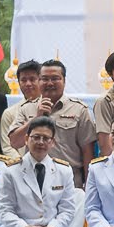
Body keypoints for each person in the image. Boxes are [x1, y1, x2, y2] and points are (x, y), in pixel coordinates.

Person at [7, 59, 93, 187]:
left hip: (69, 179)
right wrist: (36, 117)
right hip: (32, 178)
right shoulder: (26, 108)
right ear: (39, 81)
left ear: (64, 81)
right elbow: (15, 142)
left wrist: (89, 185)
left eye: (55, 78)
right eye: (44, 79)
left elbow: (87, 151)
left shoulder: (79, 109)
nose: (50, 83)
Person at [0, 60, 44, 148]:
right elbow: (7, 146)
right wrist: (22, 161)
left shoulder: (50, 105)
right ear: (18, 82)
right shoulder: (9, 113)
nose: (28, 84)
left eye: (32, 79)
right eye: (23, 80)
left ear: (41, 80)